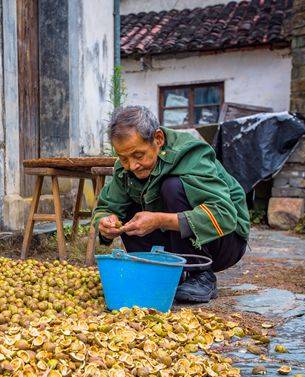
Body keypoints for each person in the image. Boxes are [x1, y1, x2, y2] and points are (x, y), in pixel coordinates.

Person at [93, 105, 250, 303]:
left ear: (158, 139)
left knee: (172, 187)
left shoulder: (191, 154)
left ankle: (200, 275)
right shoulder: (126, 168)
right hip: (178, 241)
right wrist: (106, 222)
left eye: (138, 156)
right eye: (123, 158)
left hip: (226, 241)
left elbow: (224, 215)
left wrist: (159, 220)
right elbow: (106, 207)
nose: (132, 165)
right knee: (129, 211)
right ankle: (160, 271)